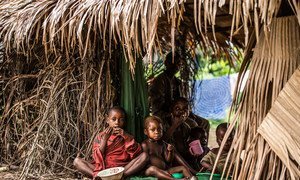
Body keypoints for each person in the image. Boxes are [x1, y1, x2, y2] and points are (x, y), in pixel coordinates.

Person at [73, 106, 148, 178]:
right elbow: (96, 158)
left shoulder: (127, 136)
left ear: (124, 121)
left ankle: (122, 176)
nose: (117, 122)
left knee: (145, 156)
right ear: (107, 120)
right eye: (114, 119)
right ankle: (98, 177)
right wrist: (104, 140)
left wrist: (126, 137)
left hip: (122, 169)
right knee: (77, 161)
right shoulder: (101, 136)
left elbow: (135, 154)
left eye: (121, 119)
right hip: (103, 169)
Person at [148, 51, 210, 136]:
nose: (176, 66)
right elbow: (157, 110)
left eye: (179, 63)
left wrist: (188, 113)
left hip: (179, 113)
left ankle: (201, 147)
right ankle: (189, 147)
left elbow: (182, 103)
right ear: (166, 63)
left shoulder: (177, 82)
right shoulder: (159, 81)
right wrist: (172, 115)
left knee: (204, 123)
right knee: (193, 125)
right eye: (173, 62)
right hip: (165, 116)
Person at [141, 116, 197, 180]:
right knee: (152, 169)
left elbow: (168, 160)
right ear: (146, 132)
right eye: (153, 130)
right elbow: (144, 162)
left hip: (165, 170)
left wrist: (170, 151)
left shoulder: (162, 143)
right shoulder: (145, 144)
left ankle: (192, 178)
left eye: (159, 129)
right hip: (151, 171)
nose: (157, 132)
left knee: (182, 168)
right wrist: (159, 170)